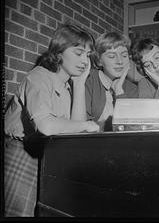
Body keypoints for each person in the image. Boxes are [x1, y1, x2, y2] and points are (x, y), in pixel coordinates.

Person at [4, 24, 100, 216]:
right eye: (79, 52)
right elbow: (46, 125)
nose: (84, 60)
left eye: (88, 55)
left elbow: (75, 130)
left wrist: (80, 84)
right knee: (19, 213)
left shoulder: (68, 86)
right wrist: (87, 125)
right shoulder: (39, 76)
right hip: (22, 151)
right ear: (59, 51)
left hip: (49, 152)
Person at [85, 32, 138, 131]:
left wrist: (119, 92)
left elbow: (132, 128)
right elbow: (83, 124)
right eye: (112, 56)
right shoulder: (88, 79)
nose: (120, 61)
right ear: (99, 61)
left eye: (124, 55)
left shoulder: (133, 88)